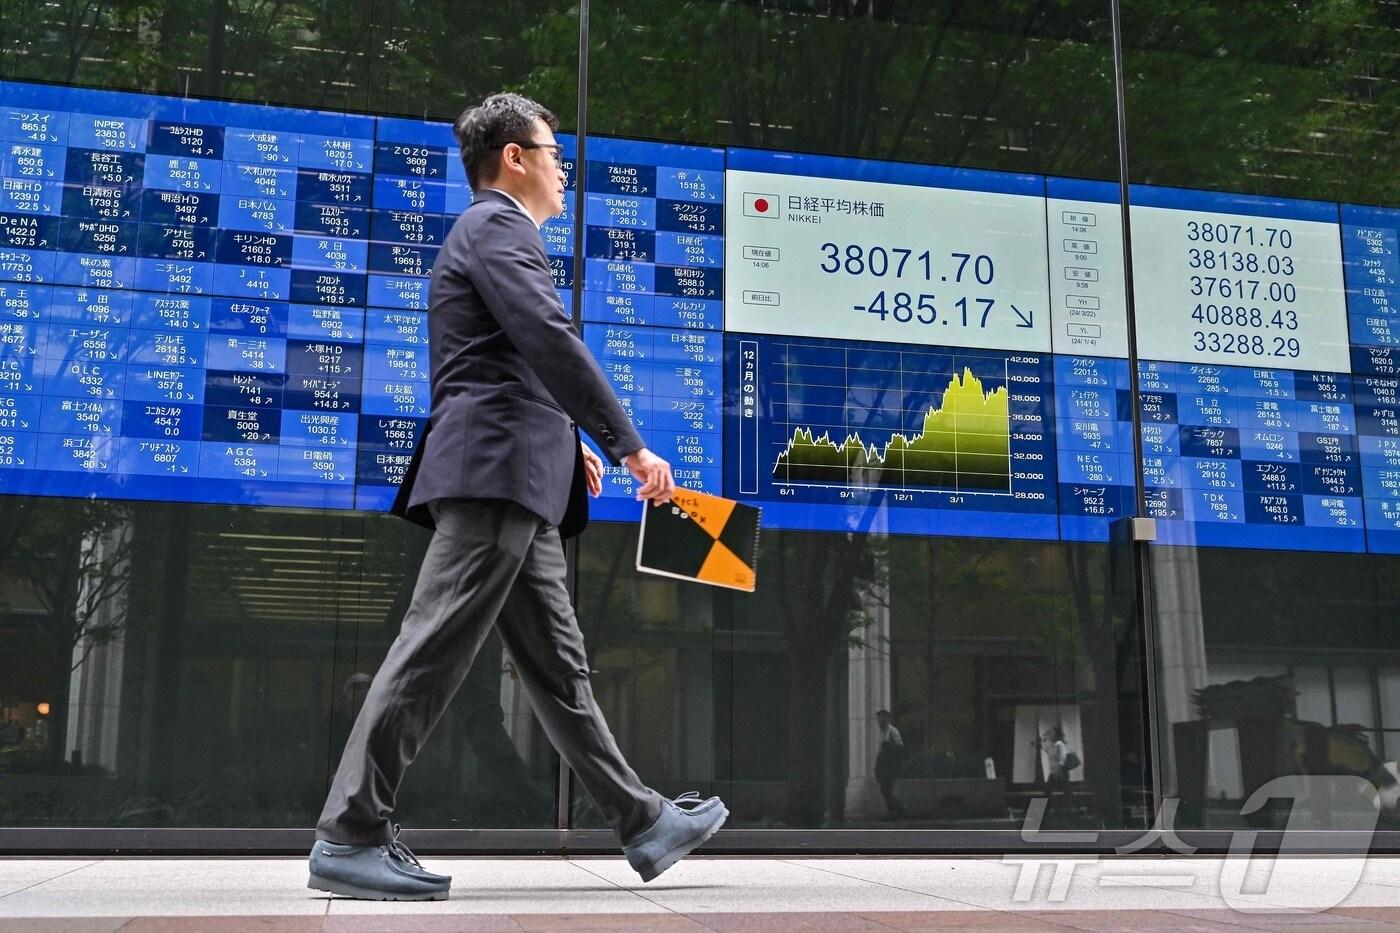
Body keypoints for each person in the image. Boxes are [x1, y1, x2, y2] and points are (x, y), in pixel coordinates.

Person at [307, 93, 728, 902]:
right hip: (495, 472)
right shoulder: (498, 228)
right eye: (553, 152)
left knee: (559, 668)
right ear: (514, 157)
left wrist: (563, 442)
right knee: (432, 645)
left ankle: (642, 821)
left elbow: (502, 359)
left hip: (517, 472)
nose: (563, 169)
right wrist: (626, 441)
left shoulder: (493, 236)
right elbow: (545, 334)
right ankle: (351, 833)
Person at [874, 709, 906, 819]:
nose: (878, 722)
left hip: (890, 765)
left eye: (881, 719)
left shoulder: (892, 731)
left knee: (886, 789)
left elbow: (899, 746)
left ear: (886, 719)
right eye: (878, 720)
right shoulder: (881, 733)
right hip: (882, 765)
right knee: (885, 789)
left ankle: (896, 809)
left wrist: (889, 749)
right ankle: (895, 809)